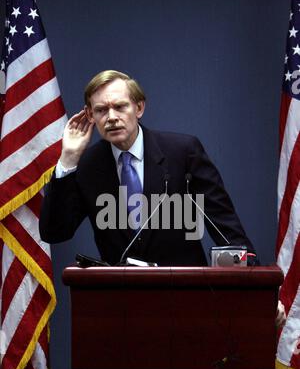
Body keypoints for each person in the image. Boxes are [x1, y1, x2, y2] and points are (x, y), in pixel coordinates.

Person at [40, 69, 258, 267]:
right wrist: (68, 159)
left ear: (139, 107)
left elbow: (226, 228)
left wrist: (259, 291)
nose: (112, 117)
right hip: (120, 299)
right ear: (90, 115)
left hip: (185, 295)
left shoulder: (183, 153)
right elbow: (55, 232)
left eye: (120, 106)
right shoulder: (88, 165)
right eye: (101, 110)